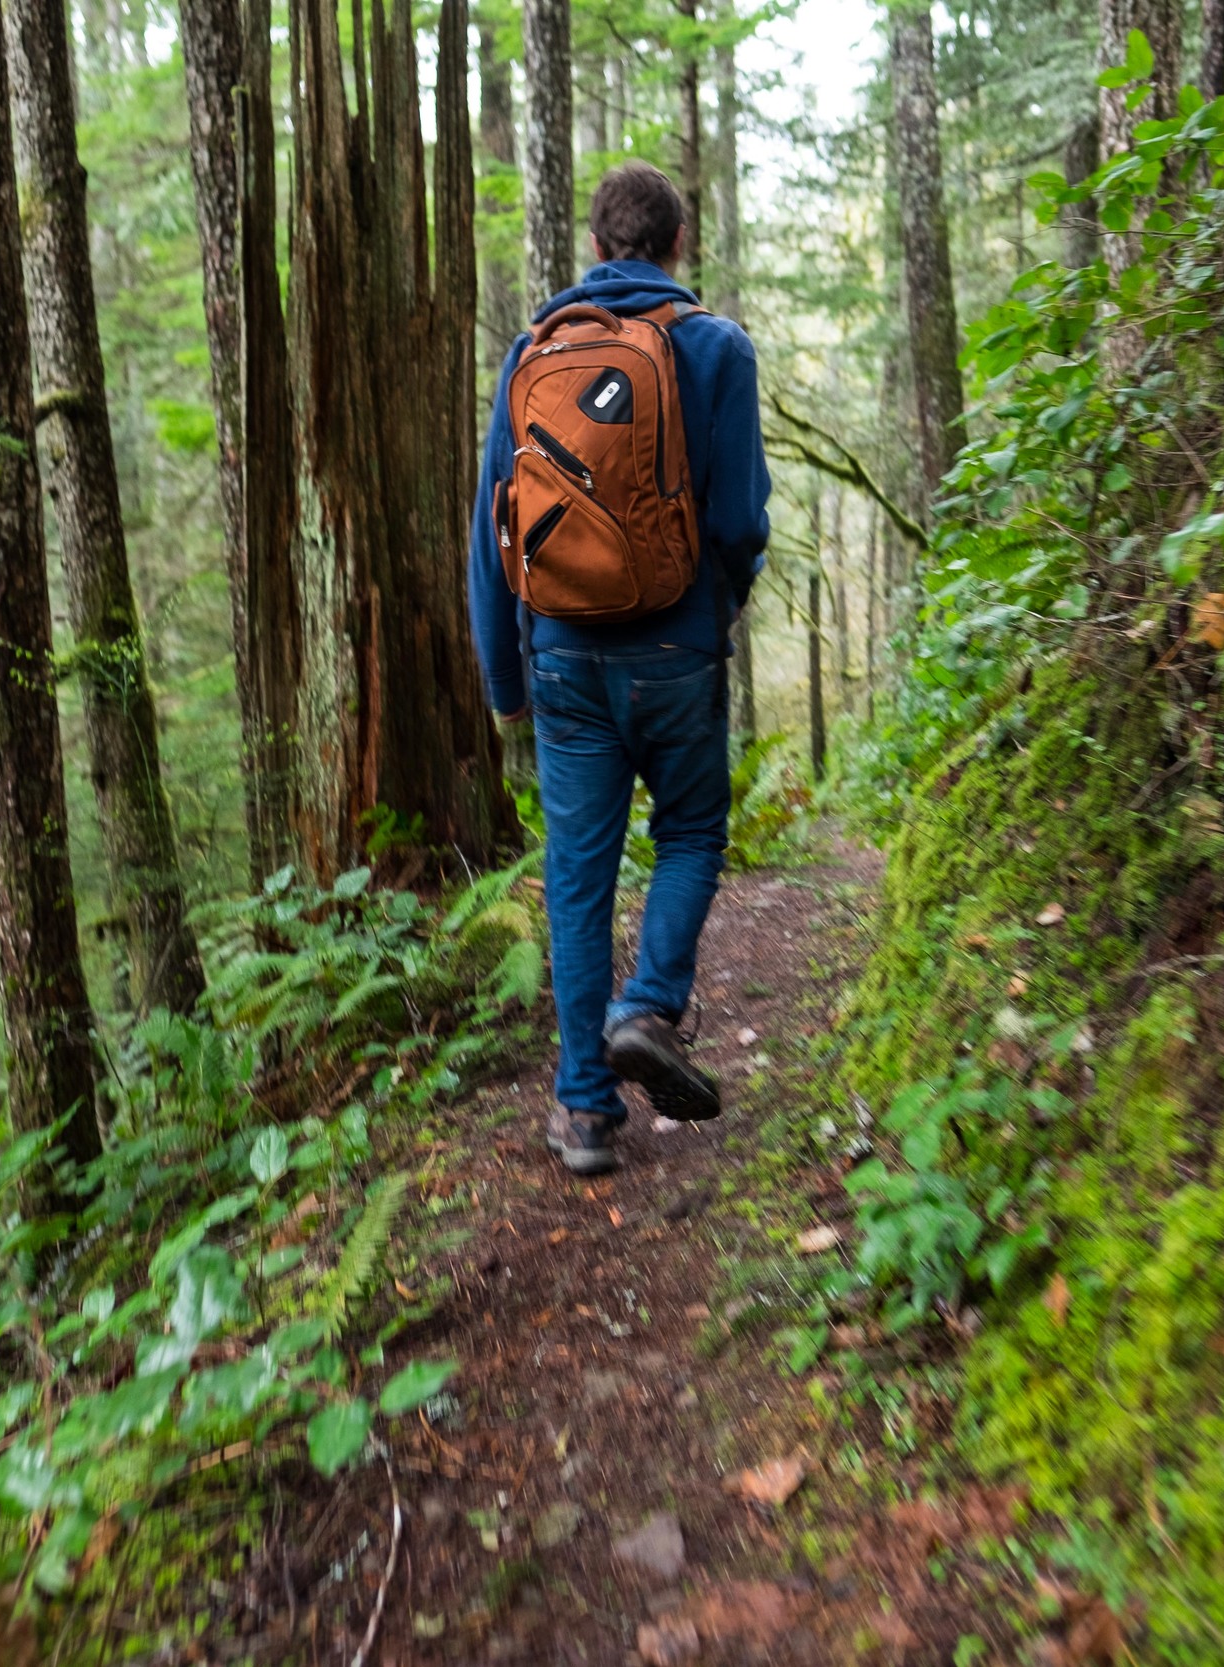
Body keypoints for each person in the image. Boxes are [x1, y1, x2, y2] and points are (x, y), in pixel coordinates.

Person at [466, 162, 772, 1175]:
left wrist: (504, 679)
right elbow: (735, 520)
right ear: (678, 244)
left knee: (576, 875)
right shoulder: (715, 347)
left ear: (598, 248)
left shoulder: (529, 356)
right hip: (677, 649)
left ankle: (585, 1111)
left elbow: (490, 534)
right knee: (689, 833)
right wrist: (716, 603)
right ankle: (649, 1008)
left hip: (560, 659)